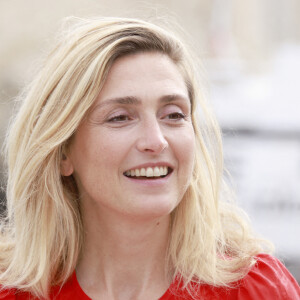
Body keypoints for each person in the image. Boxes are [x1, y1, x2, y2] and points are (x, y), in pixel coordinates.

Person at [0, 17, 299, 300]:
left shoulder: (255, 289)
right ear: (63, 151)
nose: (156, 141)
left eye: (173, 115)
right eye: (120, 118)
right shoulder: (13, 293)